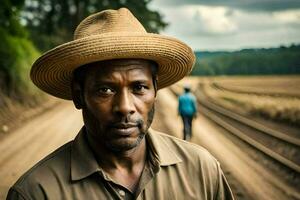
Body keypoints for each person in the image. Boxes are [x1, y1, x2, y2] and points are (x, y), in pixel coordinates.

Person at [7, 8, 234, 200]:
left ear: (155, 89)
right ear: (79, 95)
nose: (125, 107)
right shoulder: (36, 192)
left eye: (139, 88)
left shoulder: (202, 171)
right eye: (105, 89)